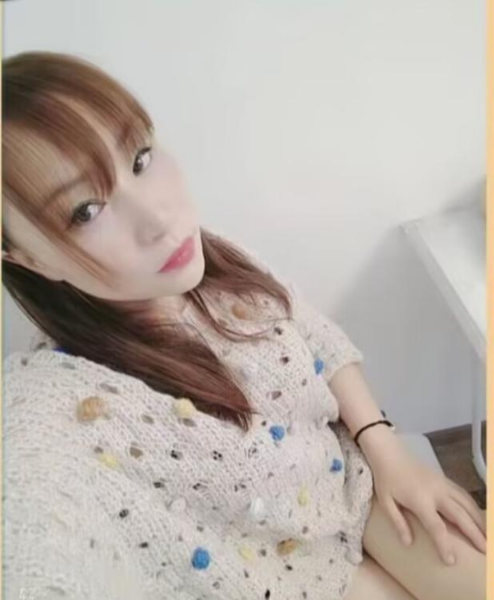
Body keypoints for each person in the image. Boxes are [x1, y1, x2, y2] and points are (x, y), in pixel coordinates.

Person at [2, 51, 486, 600]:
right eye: (85, 211)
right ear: (26, 258)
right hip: (274, 579)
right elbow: (34, 524)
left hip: (353, 488)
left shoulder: (208, 260)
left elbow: (313, 334)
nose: (158, 218)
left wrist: (385, 447)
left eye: (139, 158)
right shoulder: (61, 403)